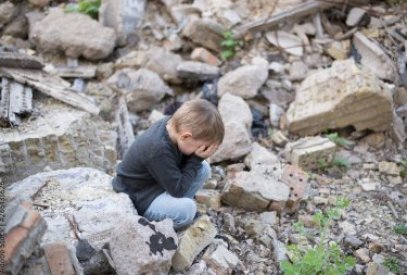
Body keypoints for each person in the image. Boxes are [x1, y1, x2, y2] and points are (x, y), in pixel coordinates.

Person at [112, 99, 225, 230]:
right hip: (138, 198)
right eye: (200, 147)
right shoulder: (158, 149)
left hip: (157, 184)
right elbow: (178, 190)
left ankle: (173, 204)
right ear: (185, 137)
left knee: (203, 168)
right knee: (187, 210)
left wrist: (197, 159)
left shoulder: (173, 125)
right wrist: (195, 159)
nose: (202, 151)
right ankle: (155, 228)